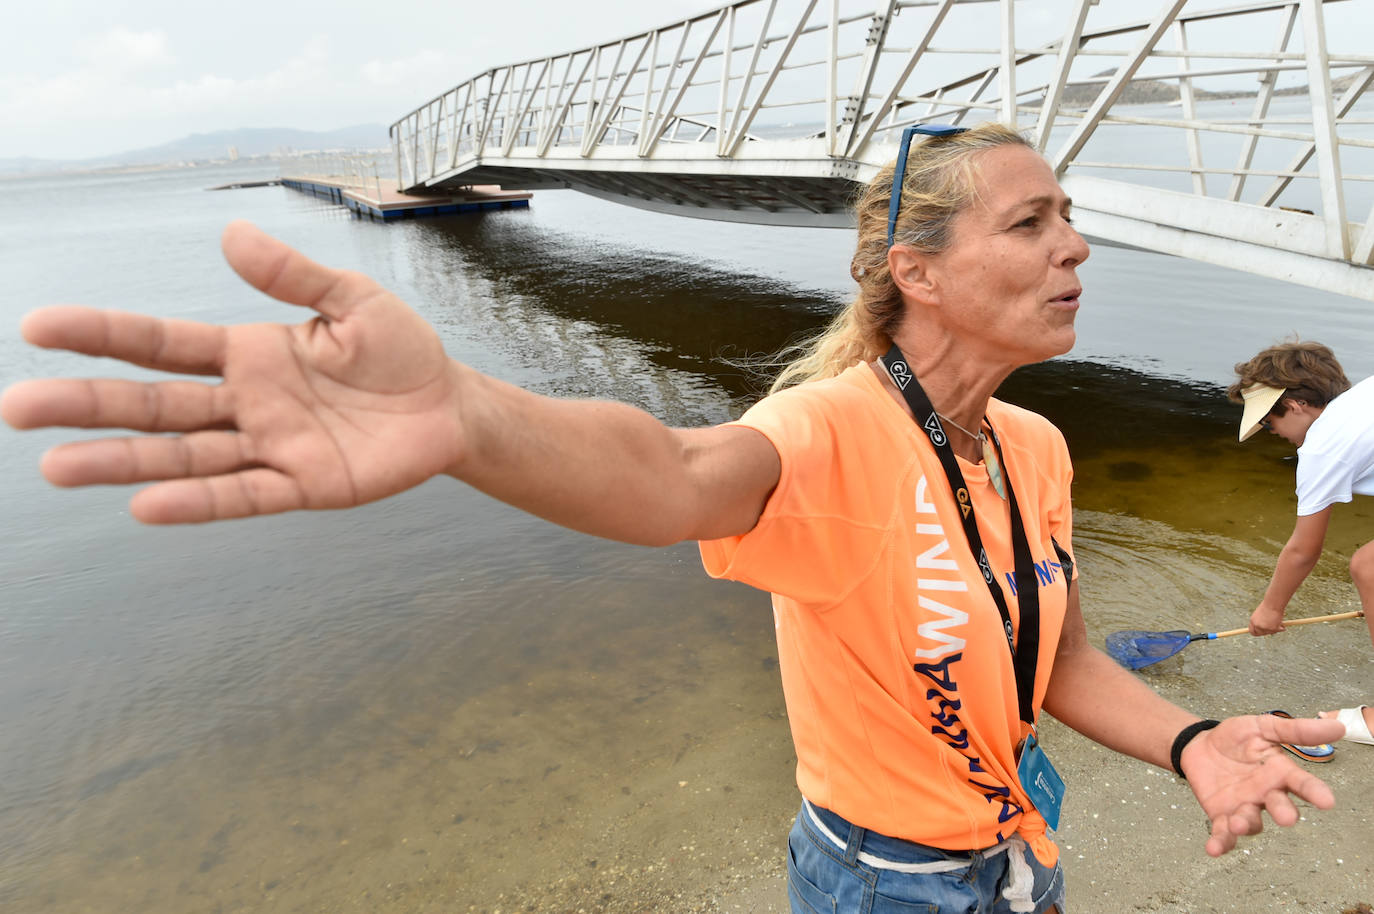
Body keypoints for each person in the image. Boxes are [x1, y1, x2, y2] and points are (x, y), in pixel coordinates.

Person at [1, 123, 1346, 914]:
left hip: (1016, 845)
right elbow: (664, 472)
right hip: (886, 880)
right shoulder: (826, 430)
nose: (1077, 244)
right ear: (918, 273)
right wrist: (466, 416)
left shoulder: (1035, 445)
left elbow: (1052, 654)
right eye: (1033, 221)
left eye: (1072, 216)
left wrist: (1188, 741)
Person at [1230, 340, 1374, 748]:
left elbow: (1303, 549)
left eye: (1268, 422)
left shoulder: (1324, 446)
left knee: (1368, 567)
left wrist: (1270, 609)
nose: (1271, 432)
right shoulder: (1361, 402)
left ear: (1295, 406)